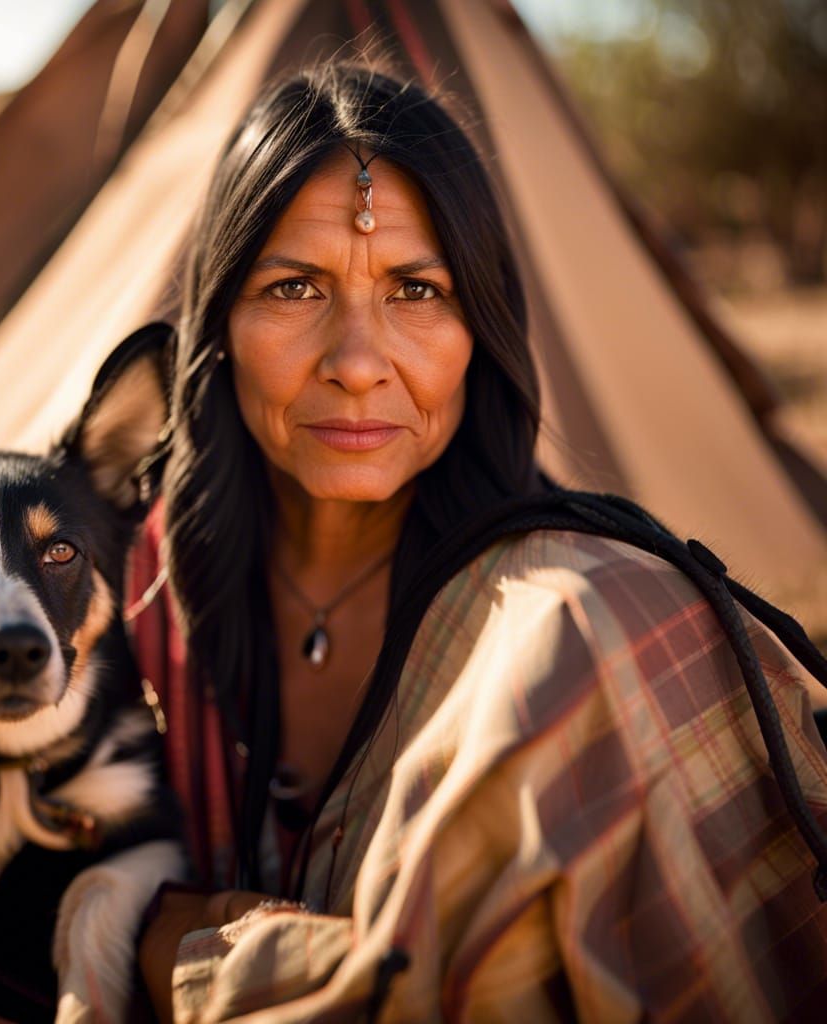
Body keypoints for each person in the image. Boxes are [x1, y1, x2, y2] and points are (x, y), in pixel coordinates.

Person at [123, 62, 827, 1023]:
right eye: (294, 288)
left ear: (482, 326)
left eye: (416, 290)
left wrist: (183, 948)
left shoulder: (588, 628)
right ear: (219, 324)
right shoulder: (115, 591)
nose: (358, 363)